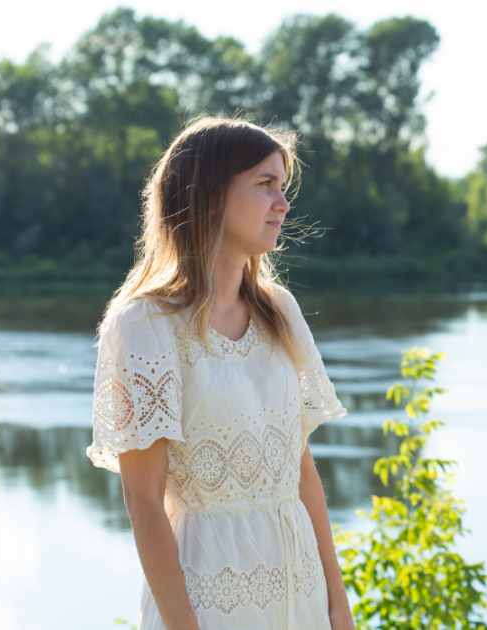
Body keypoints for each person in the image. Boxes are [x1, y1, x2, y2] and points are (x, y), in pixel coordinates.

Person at [86, 116, 355, 630]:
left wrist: (338, 605)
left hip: (299, 589)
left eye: (283, 187)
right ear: (208, 194)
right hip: (207, 595)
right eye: (265, 185)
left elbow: (300, 470)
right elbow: (144, 501)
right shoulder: (145, 324)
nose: (283, 203)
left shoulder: (281, 310)